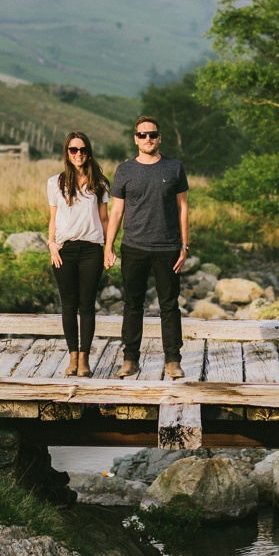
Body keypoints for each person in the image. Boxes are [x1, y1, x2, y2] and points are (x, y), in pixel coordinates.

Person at [104, 115, 189, 379]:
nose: (148, 139)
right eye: (142, 135)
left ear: (159, 138)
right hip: (134, 247)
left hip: (168, 248)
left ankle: (172, 360)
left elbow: (182, 208)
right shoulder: (124, 170)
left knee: (169, 305)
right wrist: (109, 245)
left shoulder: (174, 168)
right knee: (132, 304)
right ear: (135, 139)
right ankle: (130, 359)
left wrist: (185, 246)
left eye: (152, 134)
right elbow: (116, 212)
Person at [47, 130, 110, 377]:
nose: (79, 154)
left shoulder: (100, 183)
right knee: (68, 304)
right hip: (65, 249)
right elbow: (53, 218)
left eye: (83, 149)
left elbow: (104, 219)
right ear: (67, 153)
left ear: (88, 152)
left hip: (92, 249)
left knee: (87, 306)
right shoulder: (55, 182)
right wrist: (51, 243)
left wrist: (109, 248)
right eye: (74, 150)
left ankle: (84, 358)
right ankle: (72, 356)